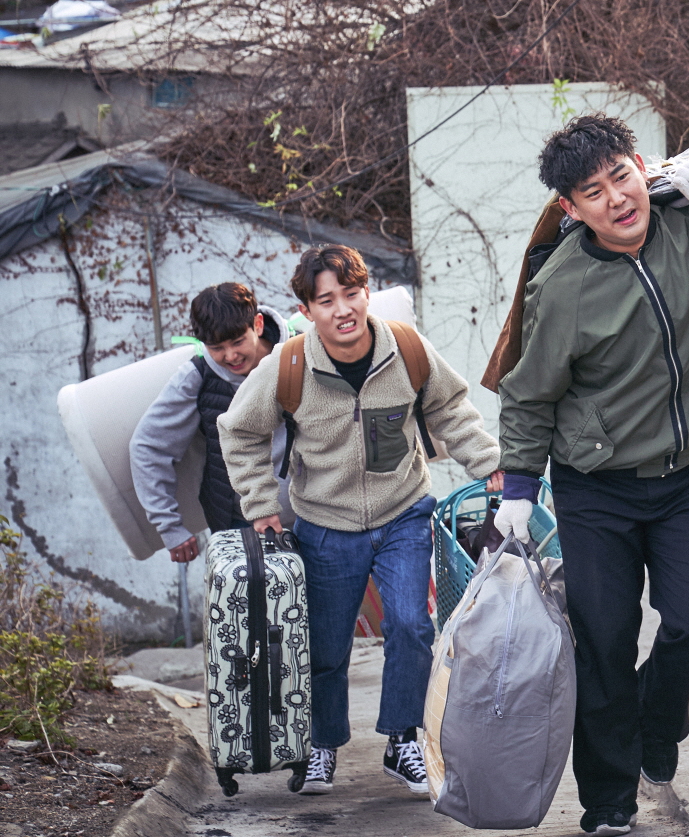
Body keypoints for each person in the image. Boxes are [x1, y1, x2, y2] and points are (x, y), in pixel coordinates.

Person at [493, 114, 689, 837]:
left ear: (643, 167)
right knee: (604, 641)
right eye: (593, 192)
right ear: (571, 208)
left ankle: (657, 719)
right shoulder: (562, 287)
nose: (616, 198)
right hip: (595, 488)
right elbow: (529, 394)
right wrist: (518, 486)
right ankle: (608, 801)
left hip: (685, 477)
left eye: (621, 176)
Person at [218, 244, 505, 798]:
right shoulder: (289, 365)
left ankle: (402, 740)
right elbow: (239, 430)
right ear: (306, 310)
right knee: (326, 647)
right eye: (326, 300)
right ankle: (323, 744)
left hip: (403, 512)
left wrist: (490, 463)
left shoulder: (407, 348)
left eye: (351, 294)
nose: (342, 309)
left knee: (411, 626)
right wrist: (260, 504)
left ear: (366, 293)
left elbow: (450, 409)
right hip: (325, 525)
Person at [130, 282, 289, 563]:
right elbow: (147, 447)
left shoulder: (300, 354)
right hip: (242, 525)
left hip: (319, 518)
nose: (230, 356)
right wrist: (170, 527)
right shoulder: (197, 378)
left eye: (237, 342)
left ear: (258, 324)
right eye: (216, 348)